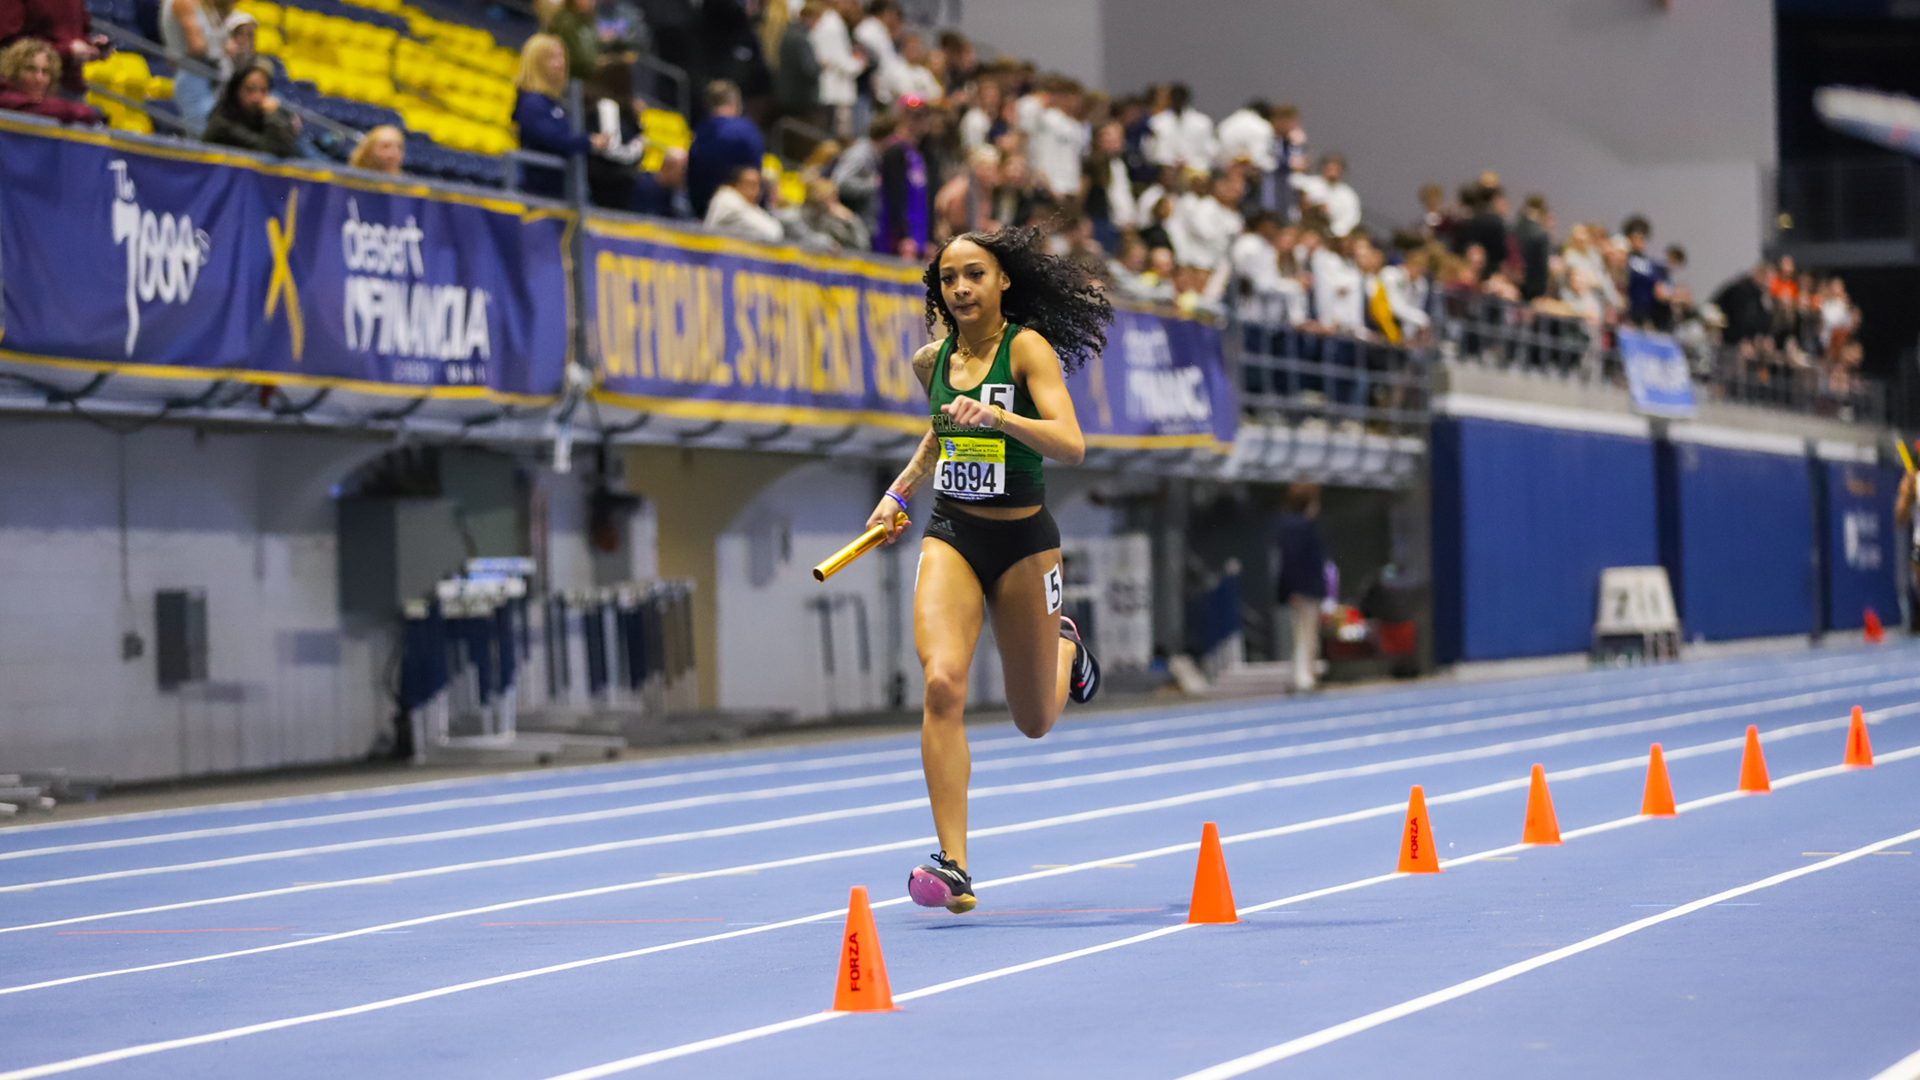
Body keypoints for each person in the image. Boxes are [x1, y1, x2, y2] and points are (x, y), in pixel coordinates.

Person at [863, 225, 1111, 913]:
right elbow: (942, 431)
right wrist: (900, 490)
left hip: (1025, 543)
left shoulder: (1026, 349)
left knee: (1033, 719)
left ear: (1003, 281)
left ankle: (1067, 645)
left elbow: (1071, 444)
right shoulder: (930, 360)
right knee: (942, 681)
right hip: (953, 534)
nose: (962, 288)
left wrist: (1002, 422)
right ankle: (955, 863)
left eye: (975, 274)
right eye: (948, 279)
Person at [512, 34, 609, 198]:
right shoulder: (532, 102)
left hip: (558, 193)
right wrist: (588, 141)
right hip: (539, 194)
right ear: (536, 63)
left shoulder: (553, 103)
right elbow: (552, 138)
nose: (561, 63)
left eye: (562, 56)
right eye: (552, 58)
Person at [1273, 483, 1327, 693]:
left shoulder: (1291, 526)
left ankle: (1302, 674)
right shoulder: (1300, 527)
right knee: (1304, 633)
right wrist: (1296, 589)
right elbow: (1296, 561)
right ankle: (1302, 676)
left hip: (1300, 588)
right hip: (1304, 588)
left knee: (1301, 633)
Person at [686, 78, 764, 218]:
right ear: (735, 102)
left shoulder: (698, 134)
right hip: (739, 215)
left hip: (702, 216)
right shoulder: (748, 131)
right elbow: (754, 176)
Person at [201, 62, 300, 156]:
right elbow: (268, 152)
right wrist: (273, 116)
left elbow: (285, 150)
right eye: (250, 89)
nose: (257, 97)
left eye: (263, 90)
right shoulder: (222, 123)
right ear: (235, 91)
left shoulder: (263, 116)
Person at [585, 60, 646, 209]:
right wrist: (638, 146)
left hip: (606, 182)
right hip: (607, 185)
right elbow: (611, 149)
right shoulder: (607, 106)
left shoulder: (611, 108)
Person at [161, 0, 227, 135]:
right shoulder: (184, 3)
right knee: (203, 134)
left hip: (198, 75)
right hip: (194, 77)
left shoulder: (200, 5)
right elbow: (197, 46)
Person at [0, 38, 100, 123]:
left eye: (45, 71)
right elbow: (39, 108)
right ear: (13, 71)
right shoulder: (5, 98)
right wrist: (89, 113)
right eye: (30, 69)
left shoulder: (46, 102)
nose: (39, 78)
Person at [807, 0, 861, 139]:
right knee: (836, 140)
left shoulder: (824, 22)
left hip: (829, 92)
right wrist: (859, 63)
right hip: (836, 93)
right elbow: (838, 61)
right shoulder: (832, 24)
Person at [704, 164, 784, 243]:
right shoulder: (727, 200)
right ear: (736, 185)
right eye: (750, 184)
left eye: (757, 185)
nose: (756, 191)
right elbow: (773, 233)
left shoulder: (747, 205)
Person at [772, 1, 821, 126]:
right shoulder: (802, 38)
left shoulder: (786, 33)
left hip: (784, 93)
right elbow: (809, 70)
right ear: (811, 18)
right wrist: (820, 67)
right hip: (802, 96)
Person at [1288, 153, 1360, 237]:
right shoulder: (1311, 184)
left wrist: (1334, 230)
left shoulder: (1348, 194)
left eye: (1335, 169)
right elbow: (1294, 181)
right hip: (1306, 229)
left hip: (1333, 234)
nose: (1332, 172)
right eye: (1329, 169)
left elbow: (1351, 218)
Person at [544, 0, 601, 82]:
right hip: (572, 79)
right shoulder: (565, 22)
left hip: (584, 76)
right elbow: (580, 60)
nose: (591, 2)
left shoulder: (586, 17)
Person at [630, 145, 692, 218]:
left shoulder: (676, 192)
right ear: (667, 168)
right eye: (683, 170)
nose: (686, 176)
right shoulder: (642, 187)